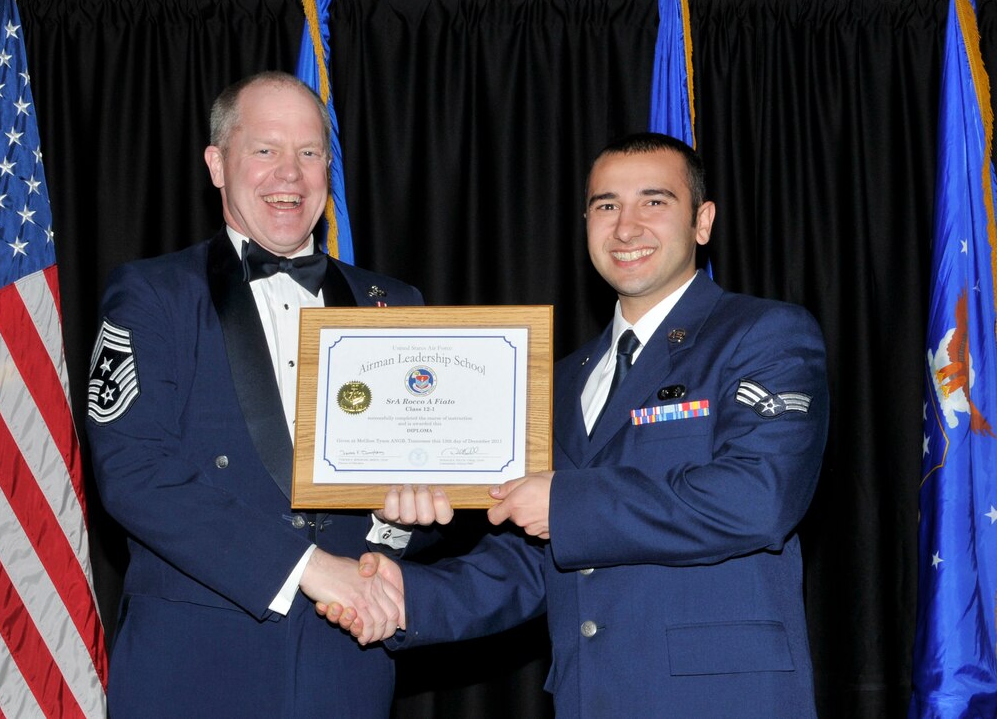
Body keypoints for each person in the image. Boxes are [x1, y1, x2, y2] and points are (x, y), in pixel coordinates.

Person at [326, 132, 829, 717]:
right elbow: (534, 559)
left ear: (703, 221)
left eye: (655, 202)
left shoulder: (762, 334)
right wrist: (406, 598)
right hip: (589, 697)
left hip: (721, 697)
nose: (626, 226)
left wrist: (564, 502)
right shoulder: (561, 379)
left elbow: (757, 499)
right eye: (606, 205)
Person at [85, 71, 450, 718]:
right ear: (217, 163)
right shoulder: (151, 296)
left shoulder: (393, 304)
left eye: (310, 153)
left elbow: (412, 497)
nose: (291, 174)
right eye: (266, 150)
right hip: (194, 670)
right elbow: (136, 476)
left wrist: (397, 524)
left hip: (346, 665)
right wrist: (308, 565)